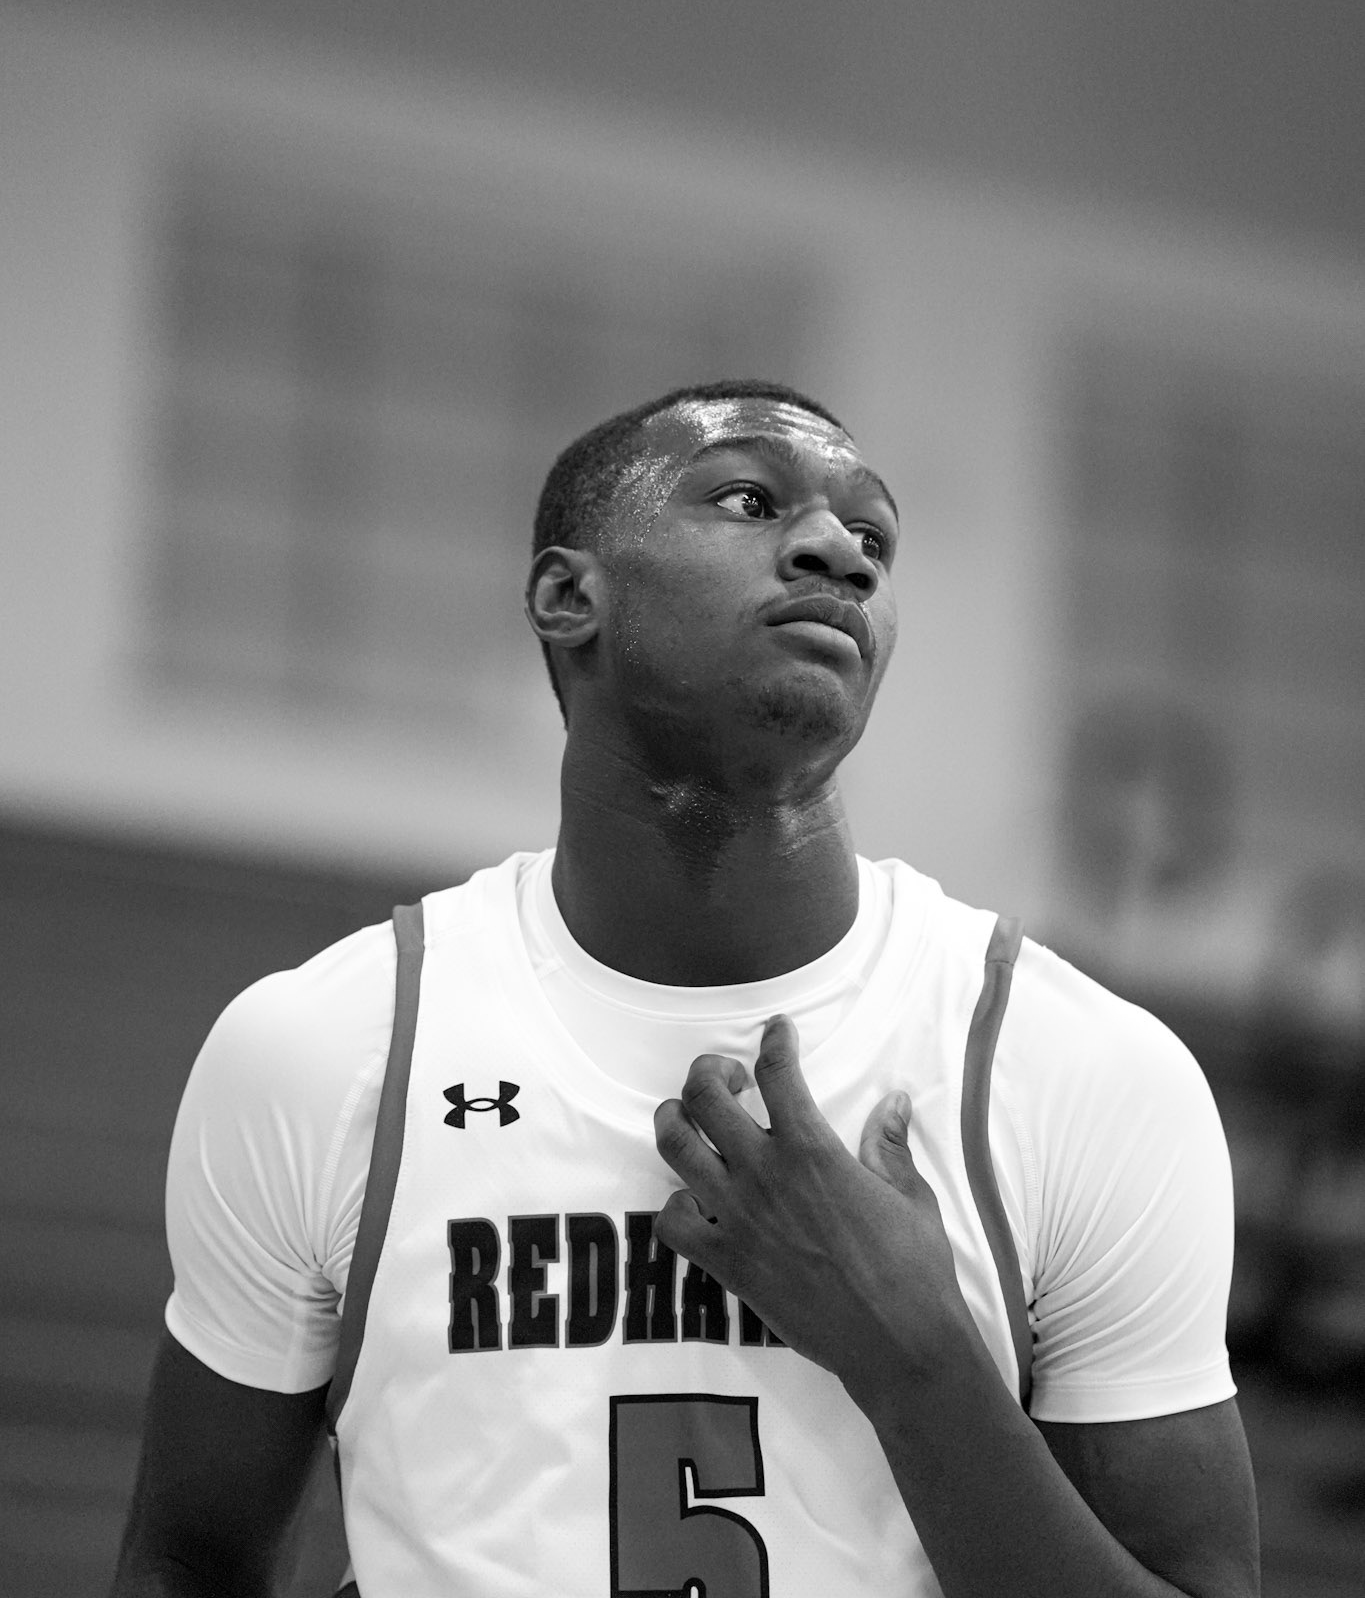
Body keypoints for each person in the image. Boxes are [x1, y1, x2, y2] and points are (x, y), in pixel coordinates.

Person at [111, 379, 1259, 1598]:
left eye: (872, 537)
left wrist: (917, 1353)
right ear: (569, 596)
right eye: (751, 498)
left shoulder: (1083, 1071)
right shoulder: (329, 1044)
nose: (840, 552)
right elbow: (185, 1562)